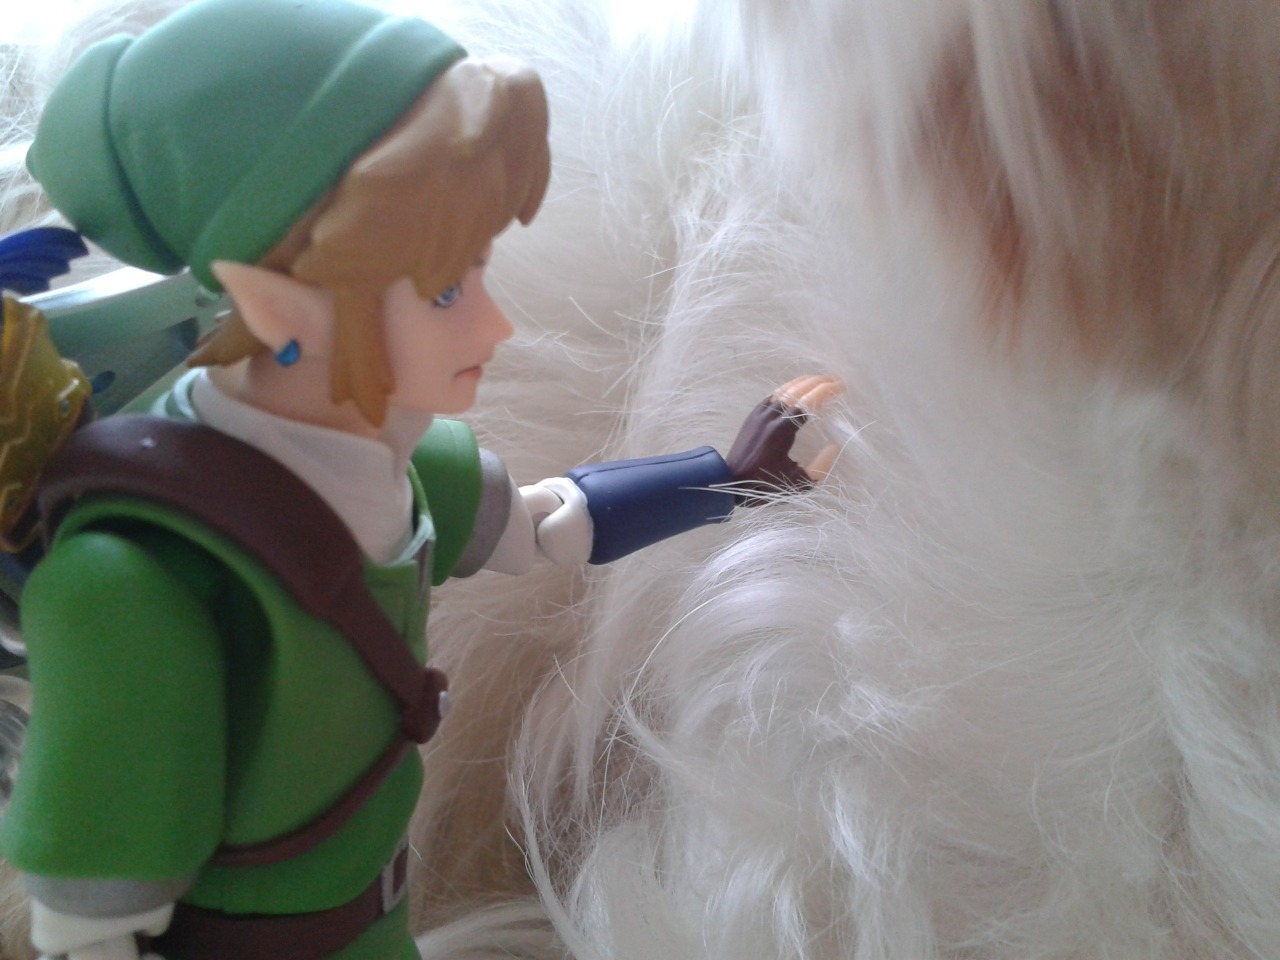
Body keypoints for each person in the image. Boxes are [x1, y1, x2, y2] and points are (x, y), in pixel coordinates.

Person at [0, 0, 841, 957]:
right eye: (444, 290)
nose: (494, 325)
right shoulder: (132, 580)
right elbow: (91, 912)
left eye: (477, 270)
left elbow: (549, 526)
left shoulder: (398, 461)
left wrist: (727, 480)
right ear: (277, 304)